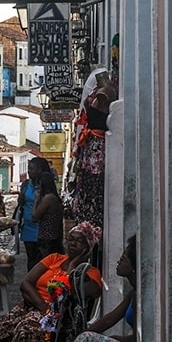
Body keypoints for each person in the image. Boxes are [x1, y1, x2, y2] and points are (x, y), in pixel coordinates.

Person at [71, 77, 117, 231]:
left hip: (97, 144)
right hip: (93, 143)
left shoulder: (103, 95)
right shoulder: (99, 94)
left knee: (94, 180)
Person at [16, 156, 50, 270]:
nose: (29, 171)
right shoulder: (26, 184)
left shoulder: (46, 186)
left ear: (40, 170)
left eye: (31, 169)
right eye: (28, 168)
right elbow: (22, 203)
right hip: (28, 228)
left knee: (43, 261)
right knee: (31, 259)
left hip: (43, 229)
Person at [31, 170, 64, 261]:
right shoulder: (54, 197)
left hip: (47, 240)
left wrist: (36, 201)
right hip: (54, 237)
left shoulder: (48, 199)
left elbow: (34, 217)